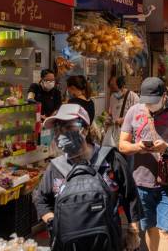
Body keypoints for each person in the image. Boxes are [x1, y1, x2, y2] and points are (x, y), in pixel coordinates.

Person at [33, 104, 141, 250]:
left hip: (108, 242)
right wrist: (55, 222)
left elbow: (131, 195)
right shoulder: (56, 167)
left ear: (84, 129)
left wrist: (133, 231)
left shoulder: (110, 159)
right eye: (57, 128)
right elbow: (41, 200)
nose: (60, 134)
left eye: (67, 128)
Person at [119, 77, 168, 251]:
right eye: (146, 102)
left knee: (166, 231)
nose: (149, 105)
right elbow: (122, 145)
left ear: (164, 96)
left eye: (154, 101)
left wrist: (167, 147)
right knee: (150, 228)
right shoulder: (134, 111)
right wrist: (138, 147)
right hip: (141, 182)